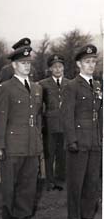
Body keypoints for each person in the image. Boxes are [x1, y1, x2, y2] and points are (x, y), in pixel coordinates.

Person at [0, 45, 43, 219]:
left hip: (31, 144)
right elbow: (0, 119)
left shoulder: (37, 88)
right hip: (13, 144)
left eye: (29, 63)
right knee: (10, 185)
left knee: (29, 184)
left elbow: (38, 117)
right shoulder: (6, 88)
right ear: (14, 65)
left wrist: (38, 141)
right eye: (23, 63)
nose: (27, 66)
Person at [61, 44, 102, 219]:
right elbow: (67, 115)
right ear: (79, 64)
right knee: (76, 180)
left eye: (93, 61)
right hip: (78, 139)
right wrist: (71, 140)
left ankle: (87, 214)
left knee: (92, 179)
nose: (91, 65)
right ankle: (75, 216)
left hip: (95, 139)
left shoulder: (97, 85)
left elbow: (99, 113)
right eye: (87, 62)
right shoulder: (72, 86)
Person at [39, 54, 68, 191]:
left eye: (60, 66)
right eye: (54, 67)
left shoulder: (70, 83)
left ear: (63, 68)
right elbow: (39, 106)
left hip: (65, 124)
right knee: (49, 153)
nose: (57, 69)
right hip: (49, 125)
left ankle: (60, 180)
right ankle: (50, 181)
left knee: (63, 153)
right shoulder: (43, 84)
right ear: (50, 69)